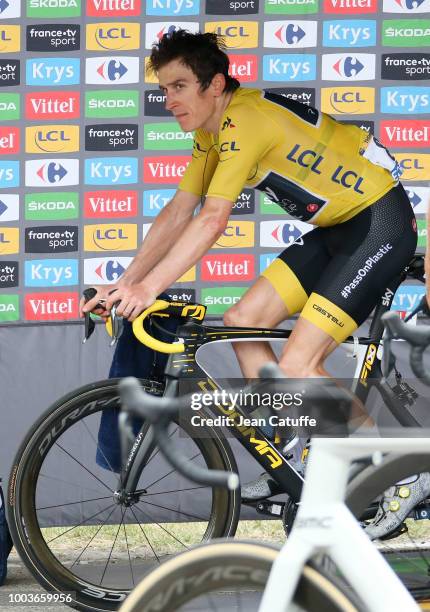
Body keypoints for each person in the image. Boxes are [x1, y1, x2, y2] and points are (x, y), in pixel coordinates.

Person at [81, 30, 422, 535]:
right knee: (243, 321)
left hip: (378, 223)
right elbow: (180, 211)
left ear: (214, 84)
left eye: (178, 86)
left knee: (299, 361)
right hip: (338, 230)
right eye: (163, 89)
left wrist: (148, 290)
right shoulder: (212, 130)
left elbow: (212, 220)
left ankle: (393, 470)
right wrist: (125, 282)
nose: (168, 100)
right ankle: (305, 453)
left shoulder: (244, 121)